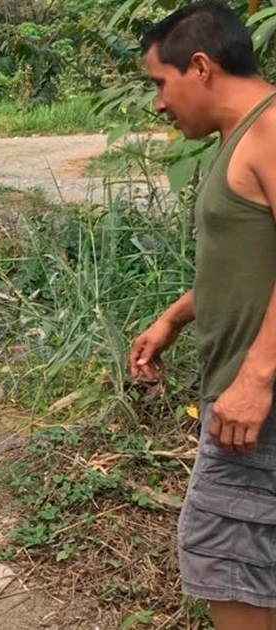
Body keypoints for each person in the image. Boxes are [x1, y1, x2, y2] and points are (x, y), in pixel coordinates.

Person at [128, 2, 276, 628]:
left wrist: (257, 378)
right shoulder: (243, 136)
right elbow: (249, 259)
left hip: (256, 406)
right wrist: (176, 316)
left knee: (228, 560)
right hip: (245, 395)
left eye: (161, 83)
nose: (159, 103)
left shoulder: (270, 132)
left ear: (201, 66)